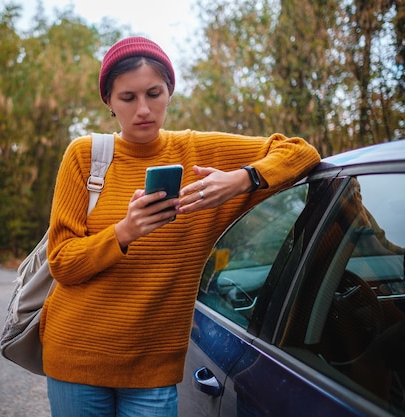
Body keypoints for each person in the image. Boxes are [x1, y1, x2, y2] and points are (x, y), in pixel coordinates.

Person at [39, 36, 321, 417]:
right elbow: (62, 263)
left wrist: (243, 179)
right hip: (77, 355)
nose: (144, 109)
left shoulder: (198, 150)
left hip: (154, 367)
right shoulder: (85, 156)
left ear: (170, 91)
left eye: (154, 93)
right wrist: (125, 231)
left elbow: (301, 152)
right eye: (128, 98)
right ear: (108, 101)